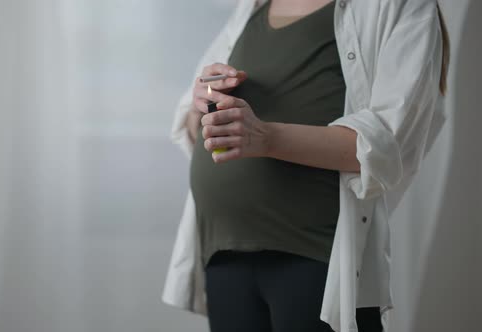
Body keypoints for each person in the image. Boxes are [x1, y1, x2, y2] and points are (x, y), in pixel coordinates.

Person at [161, 0, 450, 331]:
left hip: (315, 255)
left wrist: (265, 137)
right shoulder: (252, 7)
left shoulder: (399, 6)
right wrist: (204, 102)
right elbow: (190, 128)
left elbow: (389, 143)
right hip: (224, 252)